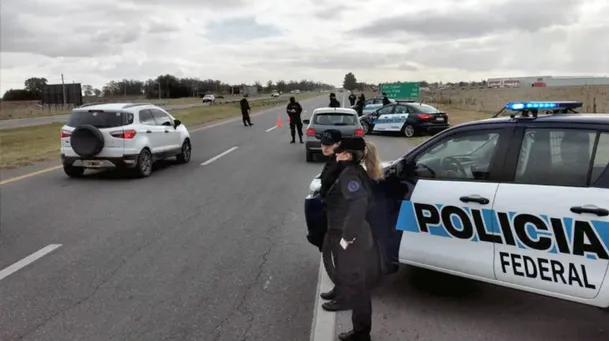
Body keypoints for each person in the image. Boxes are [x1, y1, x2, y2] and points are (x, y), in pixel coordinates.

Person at [322, 136, 383, 341]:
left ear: (347, 155)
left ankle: (361, 334)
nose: (336, 154)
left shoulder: (350, 174)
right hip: (354, 236)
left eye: (339, 151)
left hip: (353, 240)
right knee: (357, 287)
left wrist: (347, 238)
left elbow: (358, 204)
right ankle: (361, 331)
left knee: (358, 290)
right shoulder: (353, 170)